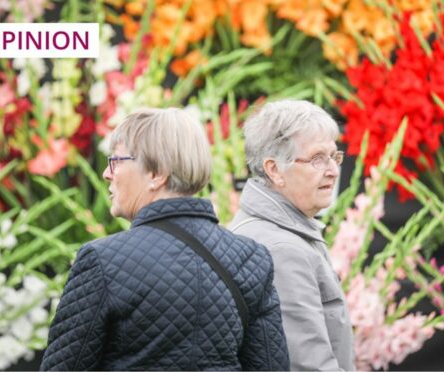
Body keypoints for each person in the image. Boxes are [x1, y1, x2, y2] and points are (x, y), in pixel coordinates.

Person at [40, 108, 289, 371]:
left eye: (116, 161)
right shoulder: (251, 259)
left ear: (157, 173)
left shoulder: (102, 261)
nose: (106, 173)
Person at [230, 100, 355, 371]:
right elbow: (308, 365)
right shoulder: (282, 249)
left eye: (334, 156)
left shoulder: (278, 231)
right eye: (317, 159)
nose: (333, 170)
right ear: (274, 170)